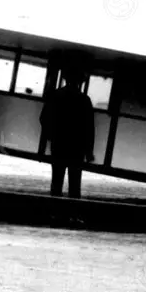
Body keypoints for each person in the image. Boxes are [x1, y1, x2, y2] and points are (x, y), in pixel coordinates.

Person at [40, 68, 95, 199]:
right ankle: (72, 214)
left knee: (56, 181)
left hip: (58, 144)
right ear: (80, 82)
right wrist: (89, 152)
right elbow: (89, 128)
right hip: (77, 147)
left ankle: (53, 211)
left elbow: (43, 118)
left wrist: (51, 136)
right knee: (75, 184)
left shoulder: (55, 96)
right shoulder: (84, 100)